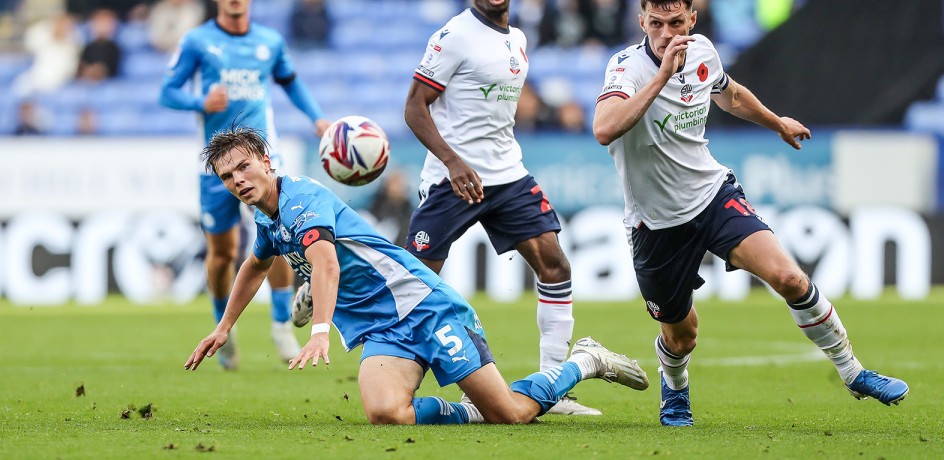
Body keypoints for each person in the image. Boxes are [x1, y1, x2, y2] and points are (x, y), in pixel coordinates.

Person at [592, 0, 909, 427]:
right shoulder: (626, 69)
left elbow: (731, 94)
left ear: (693, 19)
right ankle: (676, 392)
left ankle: (854, 372)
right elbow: (604, 129)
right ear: (641, 21)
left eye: (677, 23)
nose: (667, 34)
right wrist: (662, 75)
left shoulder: (701, 51)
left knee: (790, 277)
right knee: (682, 337)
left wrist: (776, 122)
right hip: (655, 224)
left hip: (712, 195)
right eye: (657, 24)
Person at [185, 127, 650, 425]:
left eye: (244, 166)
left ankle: (584, 362)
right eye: (227, 177)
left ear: (267, 161)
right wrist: (224, 327)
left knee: (510, 415)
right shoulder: (267, 217)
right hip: (381, 329)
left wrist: (320, 330)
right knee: (387, 413)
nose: (238, 180)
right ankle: (471, 410)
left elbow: (325, 263)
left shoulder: (301, 199)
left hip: (425, 308)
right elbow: (255, 263)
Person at [401, 0, 598, 416]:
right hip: (454, 180)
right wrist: (452, 161)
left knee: (555, 265)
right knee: (416, 285)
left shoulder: (519, 39)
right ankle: (390, 367)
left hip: (508, 173)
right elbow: (413, 108)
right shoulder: (453, 37)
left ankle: (554, 387)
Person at [160, 0, 330, 370]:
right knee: (222, 252)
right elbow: (168, 92)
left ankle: (280, 326)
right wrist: (201, 101)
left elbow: (291, 83)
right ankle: (224, 326)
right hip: (217, 165)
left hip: (262, 157)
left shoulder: (269, 42)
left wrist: (317, 118)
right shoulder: (198, 41)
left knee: (278, 238)